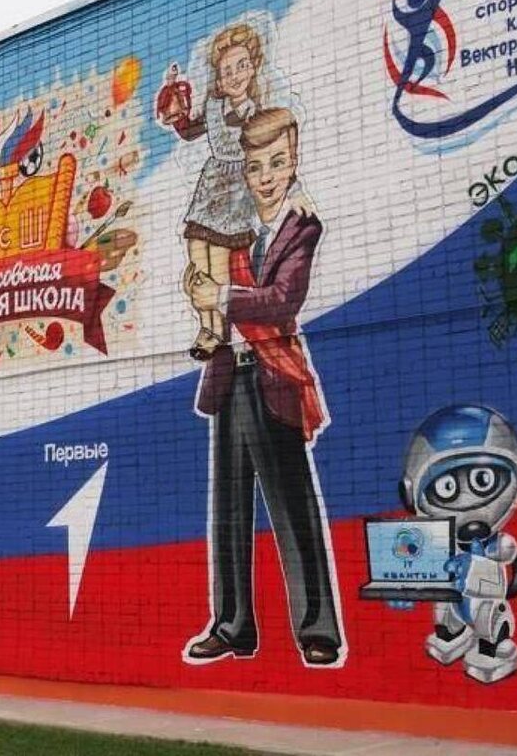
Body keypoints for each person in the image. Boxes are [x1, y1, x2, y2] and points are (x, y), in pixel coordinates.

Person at [183, 107, 344, 667]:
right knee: (228, 509)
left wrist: (220, 298)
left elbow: (282, 300)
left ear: (293, 159)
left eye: (277, 163)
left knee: (292, 505)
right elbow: (203, 257)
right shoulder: (235, 223)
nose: (266, 177)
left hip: (274, 374)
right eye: (255, 167)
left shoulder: (303, 225)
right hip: (231, 376)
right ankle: (232, 626)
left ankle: (317, 629)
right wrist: (199, 289)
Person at [156, 23, 265, 361]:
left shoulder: (256, 111)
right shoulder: (215, 106)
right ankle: (207, 326)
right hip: (210, 186)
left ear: (253, 68)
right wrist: (173, 93)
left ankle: (219, 333)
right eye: (227, 70)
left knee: (218, 262)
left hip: (235, 191)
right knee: (196, 256)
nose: (234, 75)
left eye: (241, 66)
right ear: (218, 75)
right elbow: (189, 131)